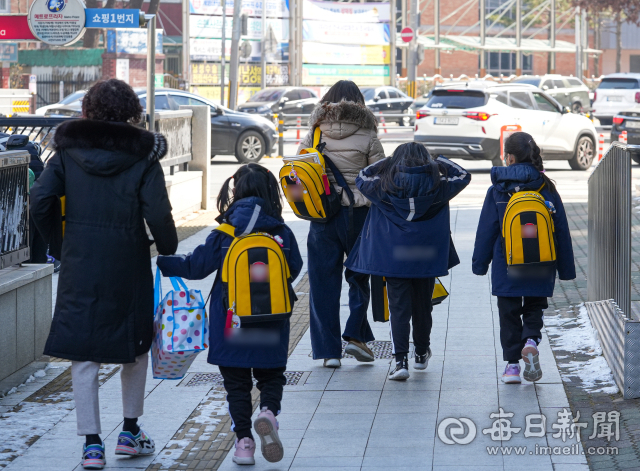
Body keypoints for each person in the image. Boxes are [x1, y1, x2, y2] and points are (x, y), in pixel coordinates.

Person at [30, 79, 178, 469]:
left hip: (80, 261)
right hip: (127, 259)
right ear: (131, 110)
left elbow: (41, 200)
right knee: (135, 343)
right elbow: (158, 211)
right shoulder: (143, 154)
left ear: (89, 109)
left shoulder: (66, 151)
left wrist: (60, 245)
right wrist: (167, 248)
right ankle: (130, 432)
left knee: (84, 351)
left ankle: (92, 444)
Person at [157, 164, 303, 466]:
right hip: (272, 318)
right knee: (271, 374)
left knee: (236, 384)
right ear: (270, 193)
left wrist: (163, 262)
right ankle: (268, 412)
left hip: (231, 319)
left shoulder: (225, 233)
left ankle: (244, 444)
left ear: (236, 193)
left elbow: (195, 267)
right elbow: (295, 268)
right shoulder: (281, 231)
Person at [345, 143, 470, 380]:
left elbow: (362, 177)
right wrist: (438, 160)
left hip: (394, 256)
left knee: (399, 308)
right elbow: (463, 175)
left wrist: (387, 162)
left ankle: (400, 361)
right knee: (423, 305)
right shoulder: (439, 185)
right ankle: (421, 353)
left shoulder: (384, 185)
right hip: (427, 255)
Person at [472, 132, 576, 384]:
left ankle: (511, 366)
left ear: (508, 157)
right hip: (541, 260)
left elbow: (487, 229)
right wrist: (566, 269)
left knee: (508, 311)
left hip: (507, 261)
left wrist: (480, 264)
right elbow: (560, 228)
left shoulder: (497, 189)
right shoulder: (546, 186)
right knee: (534, 306)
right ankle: (530, 339)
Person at [296, 80, 385, 368]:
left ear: (327, 101)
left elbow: (298, 169)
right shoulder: (369, 132)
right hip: (359, 215)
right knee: (360, 276)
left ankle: (328, 352)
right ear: (358, 102)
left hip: (323, 214)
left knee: (322, 282)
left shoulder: (315, 131)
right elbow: (379, 179)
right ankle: (354, 335)